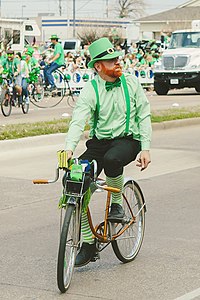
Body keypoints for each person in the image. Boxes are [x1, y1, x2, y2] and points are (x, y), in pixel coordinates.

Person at [64, 37, 152, 267]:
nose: (117, 63)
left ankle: (116, 203)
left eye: (116, 59)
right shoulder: (90, 89)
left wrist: (146, 147)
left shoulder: (131, 83)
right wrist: (68, 149)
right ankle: (88, 242)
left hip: (127, 140)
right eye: (110, 61)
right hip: (99, 142)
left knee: (113, 159)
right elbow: (78, 120)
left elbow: (144, 115)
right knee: (74, 180)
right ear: (98, 66)